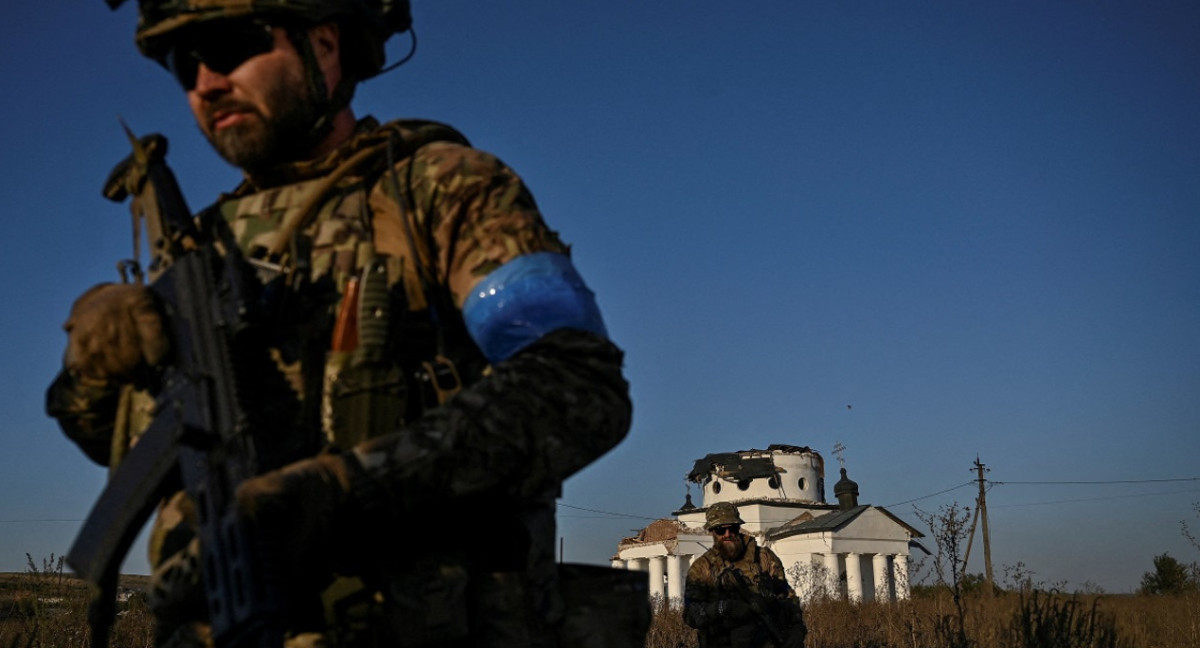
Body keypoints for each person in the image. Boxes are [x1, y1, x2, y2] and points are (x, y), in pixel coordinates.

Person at [46, 1, 634, 646]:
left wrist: (347, 490)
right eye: (183, 64)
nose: (206, 82)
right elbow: (126, 449)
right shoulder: (196, 253)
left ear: (323, 44)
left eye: (229, 45)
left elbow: (576, 385)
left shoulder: (438, 188)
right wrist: (93, 372)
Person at [683, 503, 806, 648]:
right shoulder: (702, 568)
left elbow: (787, 595)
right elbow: (690, 614)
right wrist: (723, 608)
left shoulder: (763, 557)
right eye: (721, 530)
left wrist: (798, 628)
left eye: (733, 528)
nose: (728, 534)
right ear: (712, 531)